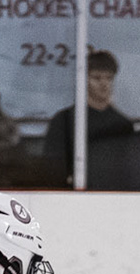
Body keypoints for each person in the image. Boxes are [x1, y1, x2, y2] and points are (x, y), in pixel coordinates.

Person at [41, 49, 134, 188]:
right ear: (84, 80)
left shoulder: (123, 125)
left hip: (114, 200)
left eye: (109, 78)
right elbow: (52, 172)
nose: (104, 84)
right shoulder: (64, 121)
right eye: (97, 78)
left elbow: (129, 173)